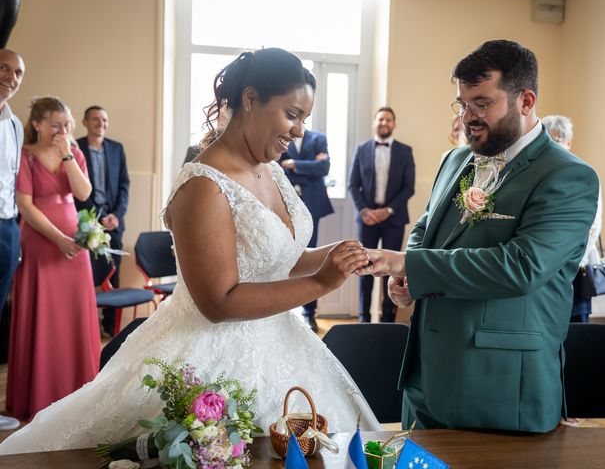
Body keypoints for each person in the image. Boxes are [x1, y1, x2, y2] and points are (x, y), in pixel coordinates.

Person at [0, 48, 379, 454]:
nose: (300, 131)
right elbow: (218, 300)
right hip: (209, 357)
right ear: (250, 100)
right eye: (292, 114)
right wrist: (323, 281)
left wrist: (330, 254)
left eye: (304, 118)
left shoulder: (268, 168)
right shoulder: (203, 184)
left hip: (283, 342)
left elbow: (276, 259)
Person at [358, 40, 599, 433]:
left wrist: (409, 263)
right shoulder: (455, 159)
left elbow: (522, 266)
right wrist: (409, 278)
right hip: (425, 377)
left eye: (482, 103)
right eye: (462, 103)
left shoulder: (568, 176)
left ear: (525, 101)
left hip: (500, 387)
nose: (468, 116)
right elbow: (426, 228)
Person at [7, 96, 101, 422]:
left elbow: (84, 193)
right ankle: (38, 395)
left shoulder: (72, 153)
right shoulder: (26, 156)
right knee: (43, 313)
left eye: (67, 124)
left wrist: (67, 154)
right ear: (37, 125)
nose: (63, 130)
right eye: (55, 125)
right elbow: (26, 205)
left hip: (75, 247)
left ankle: (77, 393)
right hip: (40, 241)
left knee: (73, 314)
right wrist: (58, 239)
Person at [348, 107, 415, 322]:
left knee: (392, 270)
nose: (384, 123)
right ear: (375, 123)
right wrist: (365, 211)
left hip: (394, 219)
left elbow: (408, 187)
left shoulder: (405, 151)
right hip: (367, 219)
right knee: (363, 267)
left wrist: (388, 211)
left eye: (388, 120)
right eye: (380, 119)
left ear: (393, 124)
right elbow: (352, 184)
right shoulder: (362, 149)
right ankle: (363, 318)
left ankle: (387, 320)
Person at [542, 114, 602, 323]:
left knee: (576, 332)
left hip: (574, 268)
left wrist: (569, 262)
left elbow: (593, 227)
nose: (553, 145)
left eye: (558, 140)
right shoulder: (540, 174)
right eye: (548, 139)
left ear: (568, 142)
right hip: (545, 273)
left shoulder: (582, 173)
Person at [75, 106, 130, 337]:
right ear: (85, 121)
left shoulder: (116, 149)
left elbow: (124, 185)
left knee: (112, 273)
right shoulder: (75, 147)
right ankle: (84, 323)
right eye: (95, 119)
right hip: (84, 221)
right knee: (83, 272)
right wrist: (92, 218)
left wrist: (117, 215)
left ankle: (109, 325)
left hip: (113, 222)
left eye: (104, 120)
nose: (101, 123)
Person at [279, 129, 333, 332]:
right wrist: (309, 167)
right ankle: (280, 310)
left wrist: (293, 164)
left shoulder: (319, 139)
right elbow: (275, 167)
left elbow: (323, 167)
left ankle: (309, 313)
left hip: (312, 205)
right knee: (282, 255)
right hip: (284, 205)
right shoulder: (281, 134)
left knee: (312, 258)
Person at [0, 49, 24, 431]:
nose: (12, 76)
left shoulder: (16, 124)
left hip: (6, 229)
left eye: (18, 72)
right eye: (5, 67)